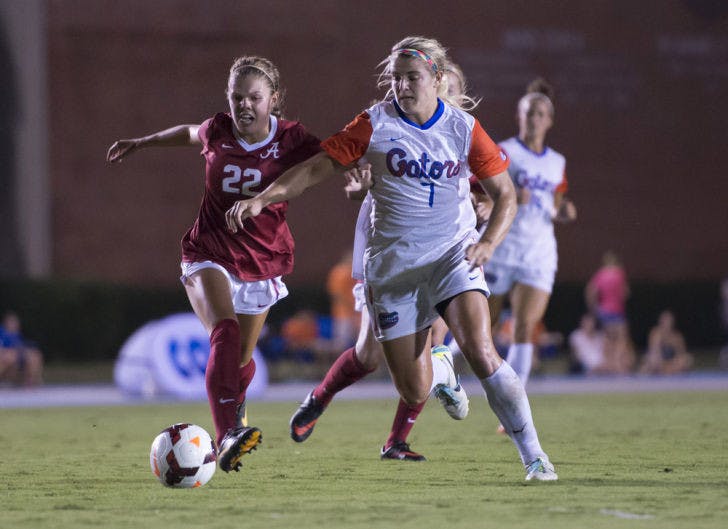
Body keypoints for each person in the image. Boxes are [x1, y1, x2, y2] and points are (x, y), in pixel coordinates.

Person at [225, 36, 558, 481]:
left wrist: (488, 245)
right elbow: (315, 169)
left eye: (412, 77)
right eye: (396, 78)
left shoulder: (462, 127)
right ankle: (439, 368)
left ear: (437, 79)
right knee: (414, 386)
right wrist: (265, 197)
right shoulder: (374, 124)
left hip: (450, 256)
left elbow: (505, 196)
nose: (402, 86)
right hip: (393, 270)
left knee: (481, 350)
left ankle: (534, 456)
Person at [106, 56, 322, 473]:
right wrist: (144, 142)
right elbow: (190, 132)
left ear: (273, 99)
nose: (243, 105)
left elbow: (329, 161)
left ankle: (233, 405)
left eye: (254, 98)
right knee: (223, 332)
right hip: (209, 251)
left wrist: (362, 172)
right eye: (236, 96)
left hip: (262, 259)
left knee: (241, 360)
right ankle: (226, 435)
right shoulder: (219, 129)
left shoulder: (293, 138)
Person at [288, 62, 482, 462]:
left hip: (446, 253)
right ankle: (320, 398)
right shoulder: (392, 125)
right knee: (368, 354)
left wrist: (489, 206)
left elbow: (491, 187)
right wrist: (363, 190)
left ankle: (397, 439)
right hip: (392, 252)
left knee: (433, 342)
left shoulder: (462, 134)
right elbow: (372, 174)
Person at [481, 78, 577, 428]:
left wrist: (563, 210)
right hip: (502, 246)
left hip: (538, 252)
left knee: (526, 327)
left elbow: (555, 203)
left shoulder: (556, 162)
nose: (534, 118)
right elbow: (480, 194)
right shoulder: (505, 151)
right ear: (519, 116)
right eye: (528, 112)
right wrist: (498, 199)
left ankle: (512, 408)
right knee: (482, 327)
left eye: (540, 113)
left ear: (549, 120)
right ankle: (447, 367)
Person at [586, 250, 630, 330]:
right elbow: (625, 294)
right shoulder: (620, 273)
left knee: (606, 337)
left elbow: (590, 292)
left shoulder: (600, 274)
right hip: (618, 310)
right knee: (620, 337)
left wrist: (594, 308)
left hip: (604, 310)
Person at [639, 310, 694, 375]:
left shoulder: (677, 336)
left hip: (671, 362)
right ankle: (667, 372)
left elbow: (681, 353)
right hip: (659, 362)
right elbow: (654, 351)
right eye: (665, 320)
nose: (667, 323)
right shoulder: (656, 333)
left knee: (687, 359)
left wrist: (673, 363)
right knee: (651, 360)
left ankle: (666, 372)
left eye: (669, 320)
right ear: (661, 321)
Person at [325, 250, 359, 351]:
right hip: (344, 313)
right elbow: (337, 294)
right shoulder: (340, 272)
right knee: (341, 343)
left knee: (361, 342)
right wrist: (350, 306)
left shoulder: (355, 272)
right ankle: (339, 364)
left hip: (357, 312)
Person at [0, 311, 44, 386]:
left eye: (15, 322)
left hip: (18, 355)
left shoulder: (16, 334)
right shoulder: (2, 332)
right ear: (6, 322)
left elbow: (21, 346)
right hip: (6, 355)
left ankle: (31, 380)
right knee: (10, 357)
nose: (14, 324)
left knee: (35, 355)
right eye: (12, 322)